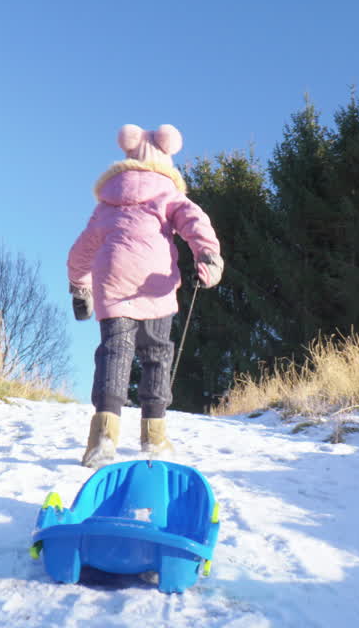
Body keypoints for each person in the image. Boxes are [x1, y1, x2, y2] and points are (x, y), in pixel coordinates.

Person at [67, 123, 223, 468]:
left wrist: (80, 287)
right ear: (168, 157)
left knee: (114, 353)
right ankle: (154, 438)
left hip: (113, 282)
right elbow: (194, 221)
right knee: (157, 354)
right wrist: (208, 256)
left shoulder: (107, 204)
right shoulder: (168, 193)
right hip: (155, 282)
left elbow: (82, 249)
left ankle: (102, 439)